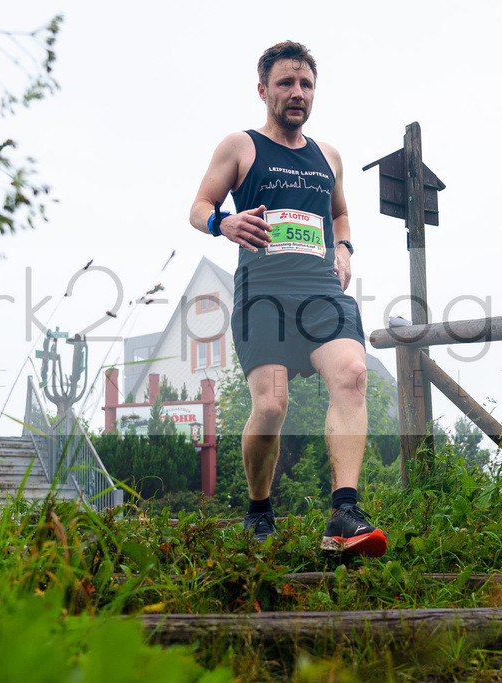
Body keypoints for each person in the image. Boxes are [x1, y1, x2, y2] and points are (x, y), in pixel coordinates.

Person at [189, 41, 386, 557]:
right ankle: (259, 510)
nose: (296, 93)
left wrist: (343, 248)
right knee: (272, 404)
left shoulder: (329, 157)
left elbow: (339, 214)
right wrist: (223, 222)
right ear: (263, 90)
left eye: (305, 85)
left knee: (353, 375)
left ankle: (345, 512)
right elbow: (199, 206)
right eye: (285, 83)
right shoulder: (241, 146)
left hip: (320, 290)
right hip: (265, 294)